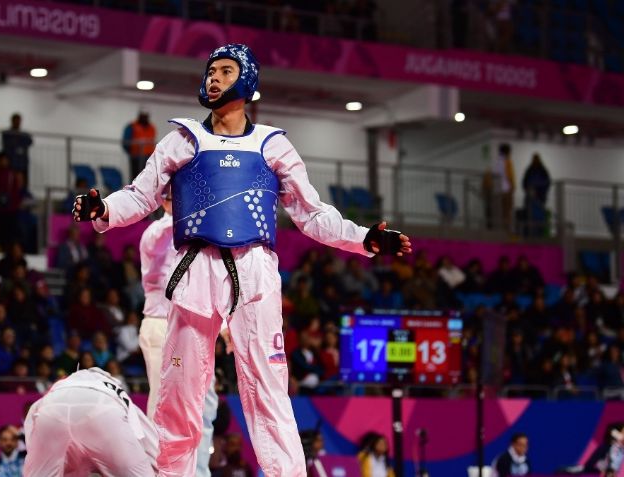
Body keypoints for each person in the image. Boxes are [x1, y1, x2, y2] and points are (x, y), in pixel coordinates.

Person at [74, 43, 411, 477]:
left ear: (247, 83)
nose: (213, 77)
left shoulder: (273, 146)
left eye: (225, 71)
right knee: (177, 399)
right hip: (196, 270)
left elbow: (312, 214)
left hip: (254, 274)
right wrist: (103, 211)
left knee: (269, 394)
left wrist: (364, 238)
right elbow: (140, 195)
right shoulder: (181, 140)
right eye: (210, 70)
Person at [137, 186, 222, 476]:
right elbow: (163, 238)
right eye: (178, 198)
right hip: (160, 326)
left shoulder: (194, 239)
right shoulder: (156, 233)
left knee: (205, 400)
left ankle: (198, 471)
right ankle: (155, 470)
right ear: (165, 201)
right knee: (164, 403)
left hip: (191, 325)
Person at [23, 367, 158, 477]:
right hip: (104, 410)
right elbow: (155, 449)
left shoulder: (59, 388)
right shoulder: (116, 392)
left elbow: (31, 426)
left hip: (50, 411)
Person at [0, 151, 22, 249]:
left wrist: (15, 204)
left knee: (10, 231)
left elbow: (15, 191)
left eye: (6, 159)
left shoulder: (12, 173)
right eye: (2, 159)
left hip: (10, 209)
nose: (4, 161)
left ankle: (9, 248)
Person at [521, 153, 550, 237]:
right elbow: (547, 182)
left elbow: (524, 183)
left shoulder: (530, 170)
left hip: (533, 198)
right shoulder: (543, 170)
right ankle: (538, 234)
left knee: (531, 216)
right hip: (539, 198)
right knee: (538, 216)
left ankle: (532, 233)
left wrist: (529, 190)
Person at [121, 109, 156, 179]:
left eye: (146, 116)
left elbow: (152, 141)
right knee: (135, 177)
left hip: (148, 158)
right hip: (136, 157)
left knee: (146, 177)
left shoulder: (152, 127)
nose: (144, 118)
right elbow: (126, 141)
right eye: (143, 116)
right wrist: (131, 152)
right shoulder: (132, 126)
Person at [1, 114, 33, 184]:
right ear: (12, 121)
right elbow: (8, 144)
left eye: (19, 121)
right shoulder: (7, 134)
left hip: (22, 162)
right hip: (11, 162)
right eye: (16, 121)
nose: (17, 123)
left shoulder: (24, 134)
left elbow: (30, 141)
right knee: (11, 182)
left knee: (23, 183)